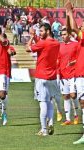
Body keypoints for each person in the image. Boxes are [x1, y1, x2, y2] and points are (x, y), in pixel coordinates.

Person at [26, 23, 60, 136]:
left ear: (48, 31)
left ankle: (44, 129)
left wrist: (31, 37)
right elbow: (42, 46)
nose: (39, 33)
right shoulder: (56, 43)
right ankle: (50, 122)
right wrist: (37, 37)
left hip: (41, 76)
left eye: (41, 31)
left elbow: (28, 48)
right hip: (53, 77)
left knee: (42, 102)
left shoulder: (43, 43)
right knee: (50, 100)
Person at [65, 0, 84, 144]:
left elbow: (74, 29)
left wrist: (70, 12)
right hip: (79, 75)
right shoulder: (80, 43)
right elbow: (71, 29)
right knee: (82, 102)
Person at [58, 28, 79, 125]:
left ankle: (76, 115)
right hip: (63, 74)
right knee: (65, 96)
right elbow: (58, 59)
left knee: (73, 95)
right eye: (61, 34)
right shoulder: (60, 46)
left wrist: (74, 62)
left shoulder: (75, 45)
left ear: (69, 35)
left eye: (64, 34)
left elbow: (80, 57)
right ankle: (68, 119)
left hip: (73, 74)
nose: (62, 36)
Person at [0, 33, 16, 126]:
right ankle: (1, 109)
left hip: (6, 73)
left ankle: (4, 113)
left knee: (3, 94)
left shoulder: (8, 45)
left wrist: (10, 51)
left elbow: (11, 52)